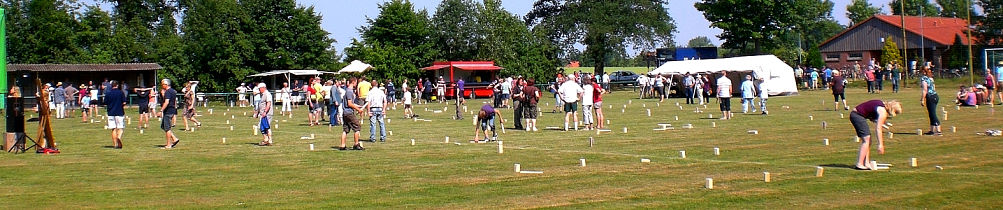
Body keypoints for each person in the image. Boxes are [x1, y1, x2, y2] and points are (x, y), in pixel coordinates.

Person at [849, 100, 902, 170]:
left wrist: (883, 123)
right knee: (866, 139)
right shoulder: (883, 112)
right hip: (857, 116)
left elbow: (870, 114)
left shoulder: (881, 105)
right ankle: (859, 164)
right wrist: (880, 144)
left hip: (857, 115)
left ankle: (866, 163)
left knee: (868, 140)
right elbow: (878, 129)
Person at [339, 78, 365, 150]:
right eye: (356, 82)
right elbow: (349, 104)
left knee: (346, 130)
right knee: (357, 127)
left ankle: (342, 145)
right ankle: (356, 144)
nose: (356, 84)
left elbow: (351, 103)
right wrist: (358, 110)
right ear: (353, 82)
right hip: (349, 113)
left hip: (345, 113)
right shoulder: (349, 91)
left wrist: (358, 106)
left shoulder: (347, 91)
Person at [919, 67, 942, 136]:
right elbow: (934, 87)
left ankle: (938, 131)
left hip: (930, 97)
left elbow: (925, 90)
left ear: (923, 72)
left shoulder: (924, 79)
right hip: (935, 96)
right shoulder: (931, 78)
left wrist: (922, 99)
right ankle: (932, 131)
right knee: (931, 114)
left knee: (933, 114)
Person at [104, 81, 127, 149]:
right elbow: (124, 102)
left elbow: (105, 103)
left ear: (111, 85)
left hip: (111, 113)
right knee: (121, 128)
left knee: (113, 129)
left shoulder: (108, 93)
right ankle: (118, 137)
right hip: (119, 112)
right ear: (117, 85)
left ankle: (115, 145)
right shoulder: (121, 93)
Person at [159, 79, 180, 149]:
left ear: (166, 84)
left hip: (168, 111)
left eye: (162, 84)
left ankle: (168, 144)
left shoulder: (168, 92)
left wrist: (161, 110)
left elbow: (166, 102)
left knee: (167, 128)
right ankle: (174, 138)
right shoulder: (173, 91)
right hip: (171, 110)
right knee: (163, 126)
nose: (162, 86)